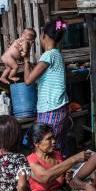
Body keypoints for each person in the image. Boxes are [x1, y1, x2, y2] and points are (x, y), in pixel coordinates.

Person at [22, 19, 69, 152]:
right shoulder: (56, 54)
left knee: (47, 146)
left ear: (44, 36)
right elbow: (38, 74)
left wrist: (26, 59)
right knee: (54, 144)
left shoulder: (48, 56)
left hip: (52, 108)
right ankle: (57, 169)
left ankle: (53, 171)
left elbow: (28, 80)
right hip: (56, 107)